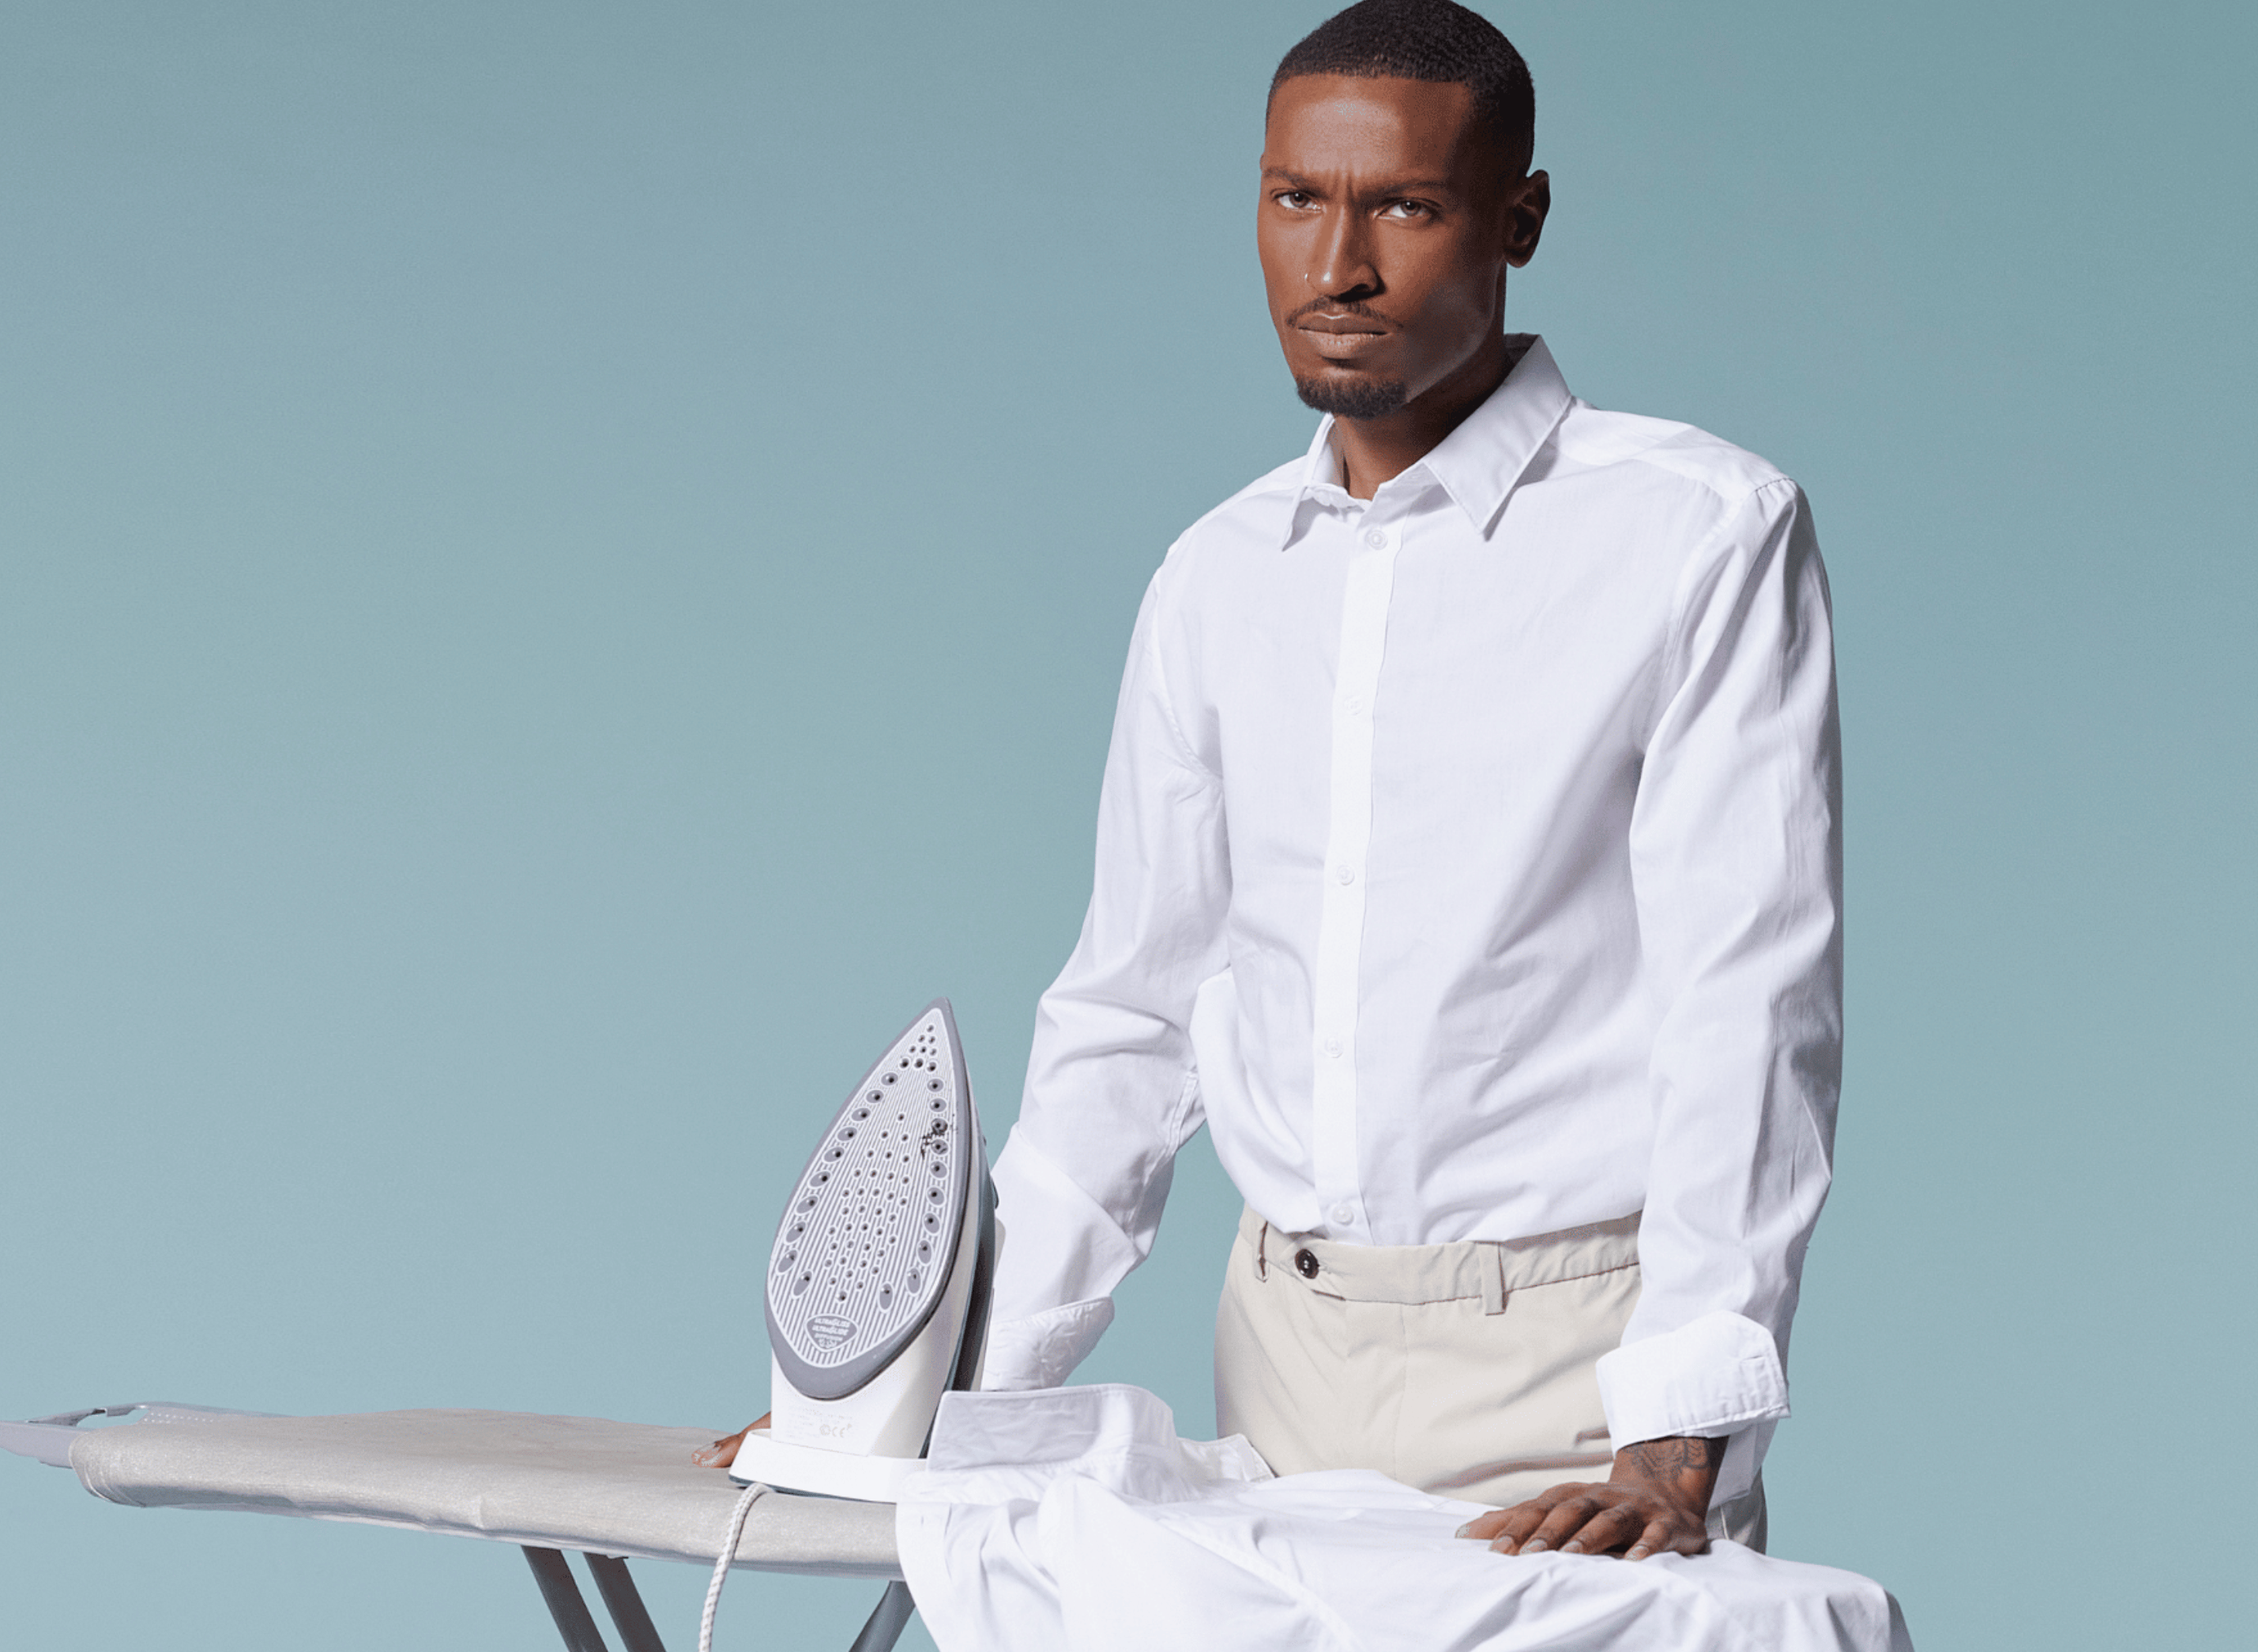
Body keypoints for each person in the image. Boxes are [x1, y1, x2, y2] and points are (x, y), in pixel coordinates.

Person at [714, 0, 1839, 1568]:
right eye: (1297, 198)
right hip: (1282, 1360)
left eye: (1408, 207)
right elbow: (1130, 1016)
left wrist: (1677, 1436)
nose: (1339, 265)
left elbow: (1750, 1007)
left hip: (1581, 1377)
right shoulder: (1216, 575)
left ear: (1519, 220)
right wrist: (927, 1409)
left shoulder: (1698, 533)